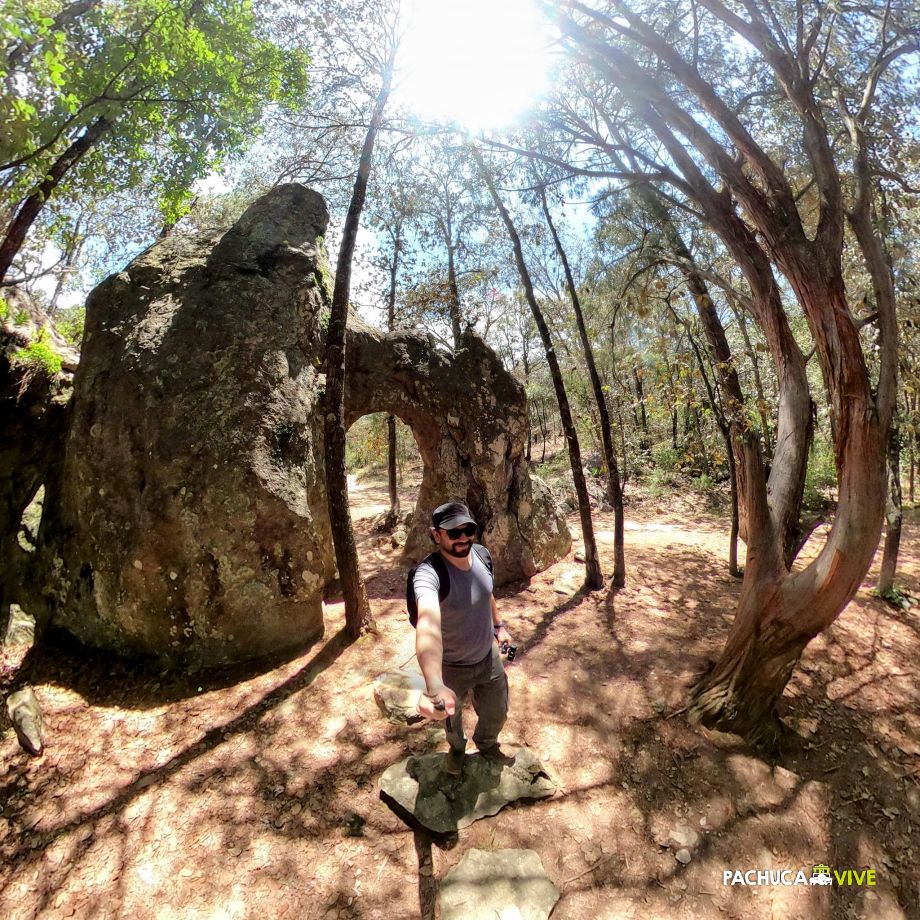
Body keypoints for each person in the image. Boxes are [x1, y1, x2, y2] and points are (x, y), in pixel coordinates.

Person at [414, 501, 514, 775]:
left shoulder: (482, 555)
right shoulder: (428, 574)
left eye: (467, 530)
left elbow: (487, 592)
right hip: (452, 668)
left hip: (488, 657)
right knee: (451, 719)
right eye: (453, 532)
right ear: (436, 534)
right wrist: (434, 684)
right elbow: (427, 624)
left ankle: (487, 742)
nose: (462, 538)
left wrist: (499, 627)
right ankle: (457, 750)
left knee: (498, 710)